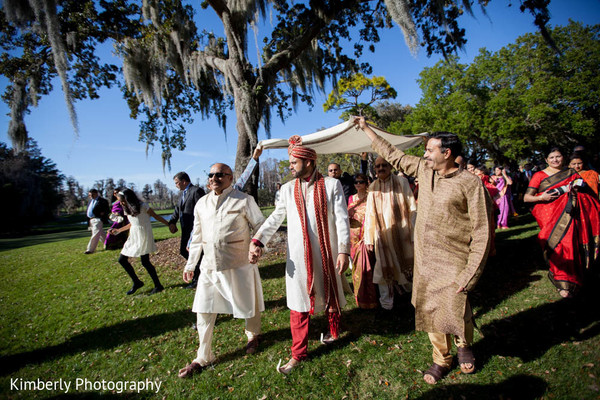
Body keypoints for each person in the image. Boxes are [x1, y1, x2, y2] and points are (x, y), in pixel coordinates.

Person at [355, 116, 493, 385]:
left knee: (456, 304)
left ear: (447, 153)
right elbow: (394, 155)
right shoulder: (424, 171)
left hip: (455, 257)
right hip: (426, 259)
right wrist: (366, 130)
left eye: (430, 150)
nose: (425, 154)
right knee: (431, 310)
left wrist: (470, 273)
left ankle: (464, 343)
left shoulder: (470, 184)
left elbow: (482, 231)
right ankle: (441, 358)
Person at [248, 135, 350, 374]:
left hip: (327, 252)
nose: (290, 166)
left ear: (309, 162)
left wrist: (344, 249)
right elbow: (275, 218)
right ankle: (298, 353)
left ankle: (334, 333)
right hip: (298, 255)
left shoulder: (331, 185)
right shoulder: (287, 189)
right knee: (298, 302)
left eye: (294, 162)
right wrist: (258, 239)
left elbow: (342, 219)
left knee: (330, 293)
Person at [178, 163, 265, 378]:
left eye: (220, 175)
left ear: (230, 177)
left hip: (239, 263)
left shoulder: (244, 200)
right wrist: (191, 264)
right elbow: (196, 236)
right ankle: (202, 356)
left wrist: (257, 245)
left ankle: (253, 335)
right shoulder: (202, 203)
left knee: (248, 303)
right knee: (204, 310)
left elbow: (261, 225)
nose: (214, 178)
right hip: (209, 267)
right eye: (211, 175)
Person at [524, 147, 600, 298]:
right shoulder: (539, 175)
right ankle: (562, 283)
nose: (555, 160)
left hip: (570, 214)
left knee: (571, 245)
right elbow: (527, 198)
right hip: (549, 215)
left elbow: (584, 191)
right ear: (546, 160)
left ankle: (573, 280)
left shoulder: (571, 173)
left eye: (558, 157)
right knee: (557, 247)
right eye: (552, 157)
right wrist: (541, 198)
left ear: (563, 158)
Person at [363, 156, 416, 310]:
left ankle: (414, 300)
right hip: (382, 236)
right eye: (378, 166)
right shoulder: (373, 187)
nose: (381, 169)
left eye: (384, 165)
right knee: (383, 268)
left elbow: (412, 208)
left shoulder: (402, 182)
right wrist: (369, 239)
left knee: (408, 265)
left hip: (403, 233)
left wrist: (413, 234)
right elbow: (370, 214)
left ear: (390, 166)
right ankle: (387, 304)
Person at [110, 189, 170, 295]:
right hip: (133, 235)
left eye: (122, 201)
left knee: (145, 262)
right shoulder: (126, 208)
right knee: (122, 260)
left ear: (128, 199)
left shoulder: (143, 206)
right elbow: (132, 223)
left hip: (143, 235)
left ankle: (158, 285)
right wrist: (118, 230)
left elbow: (156, 216)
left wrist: (169, 224)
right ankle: (137, 282)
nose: (121, 203)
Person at [169, 172, 206, 289]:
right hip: (185, 229)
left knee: (195, 252)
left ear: (184, 181)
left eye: (176, 183)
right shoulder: (182, 194)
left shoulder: (196, 191)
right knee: (183, 251)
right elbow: (177, 209)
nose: (176, 185)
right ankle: (200, 271)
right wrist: (172, 222)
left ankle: (198, 278)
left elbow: (202, 209)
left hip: (195, 229)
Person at [347, 173, 377, 309]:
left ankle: (369, 299)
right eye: (355, 182)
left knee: (366, 267)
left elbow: (373, 217)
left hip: (364, 237)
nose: (358, 184)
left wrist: (367, 236)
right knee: (355, 268)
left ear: (366, 183)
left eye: (361, 182)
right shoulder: (351, 198)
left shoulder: (370, 197)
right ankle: (358, 297)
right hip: (352, 237)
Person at [84, 189, 110, 254]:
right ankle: (109, 244)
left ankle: (90, 249)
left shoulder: (102, 201)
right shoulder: (90, 201)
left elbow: (107, 210)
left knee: (95, 234)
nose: (91, 196)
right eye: (90, 195)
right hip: (91, 220)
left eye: (92, 194)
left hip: (98, 219)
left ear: (96, 193)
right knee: (101, 234)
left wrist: (103, 214)